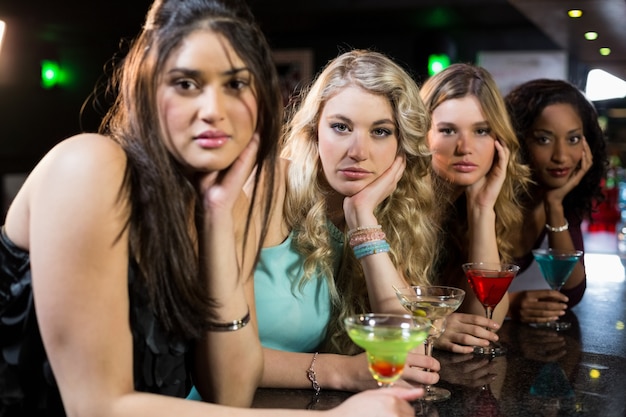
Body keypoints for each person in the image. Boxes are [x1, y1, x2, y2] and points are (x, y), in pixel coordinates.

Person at [0, 1, 425, 416]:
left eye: (235, 85)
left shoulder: (227, 203)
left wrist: (219, 215)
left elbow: (233, 390)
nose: (213, 111)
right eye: (187, 83)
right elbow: (96, 406)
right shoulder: (90, 165)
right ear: (146, 88)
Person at [241, 49, 442, 394]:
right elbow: (219, 358)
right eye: (340, 127)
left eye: (380, 132)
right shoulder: (270, 187)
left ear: (402, 145)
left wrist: (362, 218)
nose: (358, 151)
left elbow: (411, 354)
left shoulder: (387, 212)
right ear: (314, 131)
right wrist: (343, 371)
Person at [418, 63, 531, 353]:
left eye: (481, 131)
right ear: (422, 136)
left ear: (499, 140)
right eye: (447, 130)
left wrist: (482, 210)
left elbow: (486, 318)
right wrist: (432, 328)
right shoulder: (399, 204)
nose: (465, 147)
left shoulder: (477, 204)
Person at [504, 78, 607, 324]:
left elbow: (570, 293)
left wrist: (554, 205)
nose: (561, 157)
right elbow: (443, 290)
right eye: (544, 139)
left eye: (573, 139)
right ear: (519, 140)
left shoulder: (563, 201)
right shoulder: (489, 198)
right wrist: (510, 303)